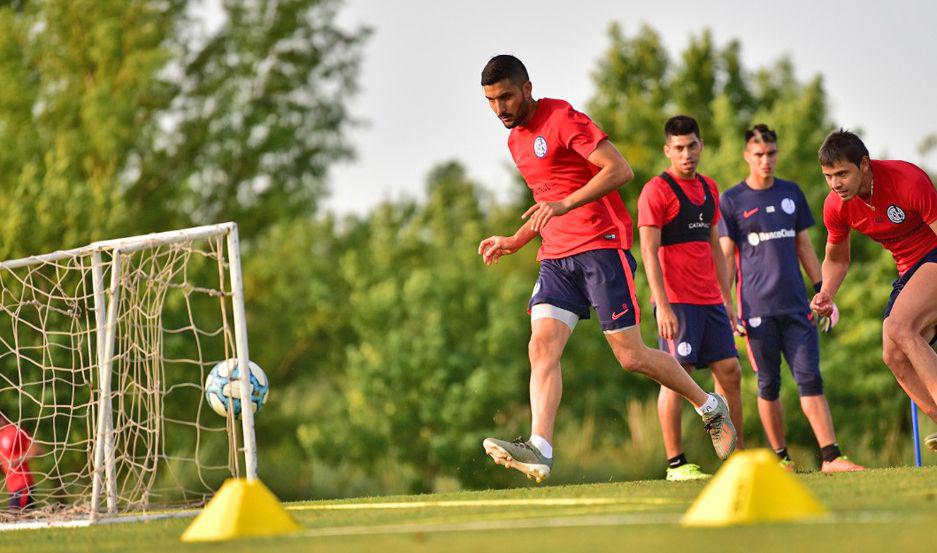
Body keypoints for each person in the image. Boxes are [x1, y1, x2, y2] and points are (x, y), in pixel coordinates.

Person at [476, 54, 736, 483]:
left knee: (631, 357)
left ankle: (708, 405)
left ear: (527, 88)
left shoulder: (562, 118)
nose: (499, 108)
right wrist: (515, 240)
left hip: (601, 246)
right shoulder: (515, 142)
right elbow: (546, 203)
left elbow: (620, 170)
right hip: (556, 257)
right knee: (541, 346)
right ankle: (540, 448)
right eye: (491, 100)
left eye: (506, 96)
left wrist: (566, 204)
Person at [720, 125, 863, 472]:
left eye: (771, 153)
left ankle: (831, 457)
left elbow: (804, 246)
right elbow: (725, 258)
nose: (765, 160)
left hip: (798, 306)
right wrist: (727, 307)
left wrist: (822, 291)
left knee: (810, 378)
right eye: (758, 154)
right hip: (756, 310)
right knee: (768, 384)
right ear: (747, 156)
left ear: (777, 153)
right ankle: (781, 458)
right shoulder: (732, 200)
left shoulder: (791, 193)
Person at [812, 129, 937, 453]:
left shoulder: (907, 180)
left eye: (842, 174)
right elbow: (836, 259)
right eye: (829, 176)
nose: (836, 183)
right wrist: (827, 292)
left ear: (864, 165)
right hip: (908, 271)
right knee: (893, 355)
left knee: (900, 327)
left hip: (934, 254)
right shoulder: (836, 206)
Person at [638, 115, 744, 481]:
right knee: (677, 376)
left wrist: (727, 298)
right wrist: (662, 305)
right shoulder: (656, 190)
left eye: (693, 146)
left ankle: (736, 458)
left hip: (711, 300)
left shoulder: (710, 188)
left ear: (701, 146)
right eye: (679, 148)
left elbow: (715, 246)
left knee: (730, 371)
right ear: (667, 150)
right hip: (676, 303)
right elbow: (648, 251)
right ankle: (676, 464)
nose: (687, 154)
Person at [0, 411, 37, 511]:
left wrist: (18, 460)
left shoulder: (15, 431)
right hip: (12, 487)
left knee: (14, 516)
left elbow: (36, 449)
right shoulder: (1, 436)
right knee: (23, 518)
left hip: (23, 485)